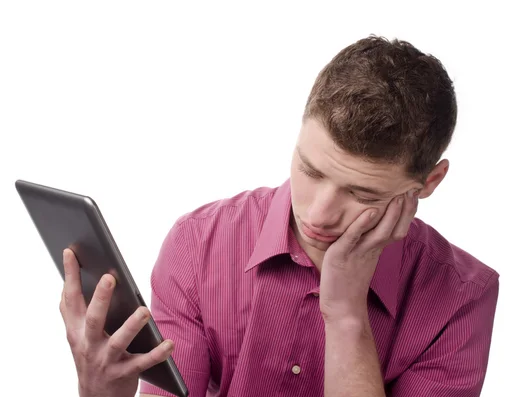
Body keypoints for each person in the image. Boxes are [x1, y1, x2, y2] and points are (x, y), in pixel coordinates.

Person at [59, 35, 499, 397]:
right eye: (310, 170)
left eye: (362, 193)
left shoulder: (462, 297)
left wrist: (346, 315)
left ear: (428, 183)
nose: (320, 214)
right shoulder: (199, 244)